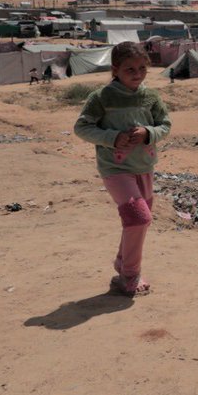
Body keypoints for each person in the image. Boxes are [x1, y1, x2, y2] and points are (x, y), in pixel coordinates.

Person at [74, 42, 170, 297]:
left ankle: (121, 264)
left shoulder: (151, 97)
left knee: (136, 222)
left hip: (144, 166)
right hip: (115, 168)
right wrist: (113, 138)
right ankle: (129, 274)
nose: (137, 74)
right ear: (115, 69)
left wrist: (148, 132)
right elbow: (82, 128)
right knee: (139, 218)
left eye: (142, 68)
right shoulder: (102, 98)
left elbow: (165, 125)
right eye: (130, 69)